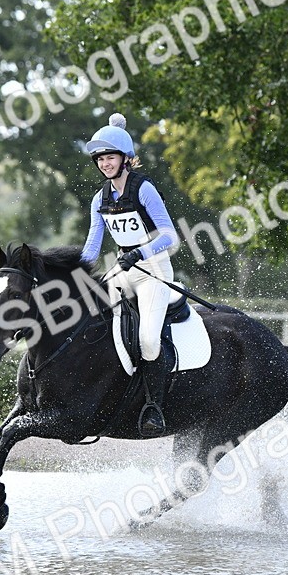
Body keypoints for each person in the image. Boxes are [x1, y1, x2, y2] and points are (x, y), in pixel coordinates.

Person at [80, 113, 180, 437]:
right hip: (122, 270)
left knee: (148, 340)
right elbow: (93, 247)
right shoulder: (100, 198)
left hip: (153, 270)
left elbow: (170, 236)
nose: (105, 164)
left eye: (110, 157)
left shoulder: (144, 189)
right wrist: (69, 270)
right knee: (97, 329)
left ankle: (154, 407)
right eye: (101, 159)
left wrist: (141, 252)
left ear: (125, 159)